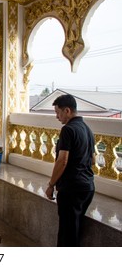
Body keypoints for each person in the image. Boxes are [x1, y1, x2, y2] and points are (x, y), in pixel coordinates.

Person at [46, 94, 95, 247]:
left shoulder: (68, 130)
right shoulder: (87, 129)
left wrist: (51, 184)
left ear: (67, 110)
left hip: (71, 189)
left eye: (57, 112)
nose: (56, 116)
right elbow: (93, 160)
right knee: (74, 229)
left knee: (67, 234)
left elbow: (62, 160)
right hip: (87, 187)